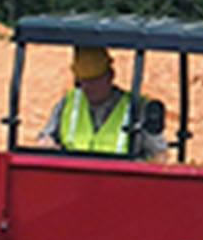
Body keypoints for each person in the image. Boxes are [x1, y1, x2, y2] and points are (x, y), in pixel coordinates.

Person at [36, 46, 166, 160]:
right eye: (84, 81)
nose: (88, 87)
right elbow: (46, 137)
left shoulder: (138, 108)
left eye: (94, 80)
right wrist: (47, 143)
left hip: (119, 182)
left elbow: (159, 155)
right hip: (73, 180)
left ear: (110, 76)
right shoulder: (68, 103)